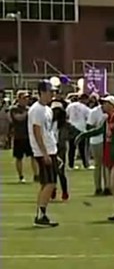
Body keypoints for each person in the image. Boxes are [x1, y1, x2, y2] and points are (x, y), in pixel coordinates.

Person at [28, 81, 60, 227]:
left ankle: (42, 213)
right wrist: (44, 153)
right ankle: (41, 214)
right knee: (49, 182)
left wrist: (53, 152)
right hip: (43, 151)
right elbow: (37, 131)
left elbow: (48, 132)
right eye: (49, 92)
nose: (52, 94)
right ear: (41, 92)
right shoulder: (37, 109)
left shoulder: (47, 109)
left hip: (49, 149)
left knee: (48, 183)